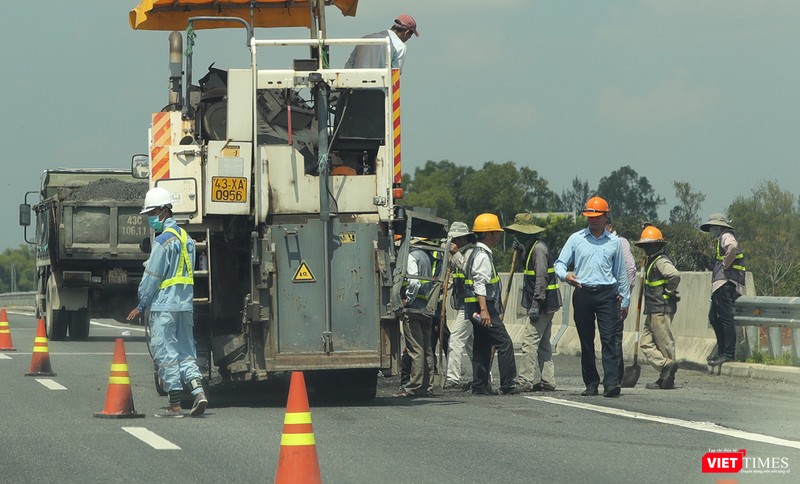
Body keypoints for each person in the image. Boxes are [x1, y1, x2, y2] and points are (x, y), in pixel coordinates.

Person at [126, 187, 207, 418]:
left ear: (163, 211)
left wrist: (141, 304)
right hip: (185, 305)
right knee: (186, 352)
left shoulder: (163, 241)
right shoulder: (187, 239)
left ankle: (175, 404)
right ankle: (199, 392)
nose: (150, 218)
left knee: (165, 353)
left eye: (151, 213)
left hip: (165, 306)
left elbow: (152, 277)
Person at [554, 196, 630, 398]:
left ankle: (612, 383)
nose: (593, 220)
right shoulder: (576, 239)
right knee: (586, 341)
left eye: (597, 216)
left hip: (607, 294)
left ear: (606, 216)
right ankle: (591, 383)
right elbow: (559, 263)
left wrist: (625, 299)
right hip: (583, 293)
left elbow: (620, 272)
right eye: (589, 216)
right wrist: (566, 275)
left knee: (609, 339)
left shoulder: (614, 242)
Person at [463, 213, 525, 396]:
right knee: (504, 343)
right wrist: (484, 310)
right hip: (483, 307)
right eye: (496, 233)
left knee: (482, 345)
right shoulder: (482, 256)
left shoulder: (474, 252)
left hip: (476, 307)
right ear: (488, 234)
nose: (499, 237)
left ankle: (480, 385)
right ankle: (508, 384)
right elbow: (479, 284)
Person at [506, 213, 562, 392]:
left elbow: (541, 278)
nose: (516, 236)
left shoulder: (539, 249)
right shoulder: (530, 249)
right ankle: (548, 380)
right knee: (543, 344)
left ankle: (525, 380)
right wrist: (521, 252)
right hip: (545, 303)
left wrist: (536, 305)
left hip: (543, 304)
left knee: (529, 341)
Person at [633, 225, 681, 389]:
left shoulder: (661, 261)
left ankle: (667, 379)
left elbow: (674, 275)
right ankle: (665, 366)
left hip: (661, 308)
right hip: (653, 309)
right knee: (646, 343)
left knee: (664, 343)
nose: (645, 249)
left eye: (647, 246)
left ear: (655, 246)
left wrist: (669, 291)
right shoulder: (652, 261)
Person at [701, 213, 746, 366]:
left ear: (720, 227)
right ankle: (721, 351)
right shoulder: (721, 239)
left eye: (714, 227)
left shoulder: (726, 236)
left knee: (725, 318)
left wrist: (726, 264)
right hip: (720, 284)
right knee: (714, 317)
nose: (712, 230)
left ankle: (728, 353)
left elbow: (732, 247)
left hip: (726, 283)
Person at [395, 236, 436, 397]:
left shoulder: (411, 257)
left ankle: (413, 386)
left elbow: (414, 282)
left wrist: (407, 301)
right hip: (426, 308)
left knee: (416, 349)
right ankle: (427, 386)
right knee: (426, 349)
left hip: (414, 310)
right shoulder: (425, 256)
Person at [443, 222, 476, 391]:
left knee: (455, 339)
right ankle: (482, 376)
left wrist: (455, 254)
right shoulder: (460, 253)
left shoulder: (471, 253)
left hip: (471, 304)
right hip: (465, 303)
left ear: (463, 238)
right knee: (470, 343)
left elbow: (467, 269)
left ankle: (453, 378)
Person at [605, 218, 636, 382]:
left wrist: (624, 294)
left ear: (610, 226)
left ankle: (616, 375)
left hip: (616, 297)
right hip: (605, 296)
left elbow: (630, 268)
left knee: (614, 336)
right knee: (609, 336)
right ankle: (613, 374)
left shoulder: (619, 242)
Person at [344, 14, 419, 73]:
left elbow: (349, 65)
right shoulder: (400, 47)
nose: (409, 38)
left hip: (355, 89)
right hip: (379, 90)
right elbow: (395, 74)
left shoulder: (365, 38)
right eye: (411, 36)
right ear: (406, 32)